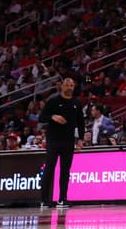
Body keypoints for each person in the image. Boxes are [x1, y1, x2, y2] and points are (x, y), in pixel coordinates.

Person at [40, 77, 85, 209]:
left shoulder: (76, 103)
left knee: (65, 170)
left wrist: (81, 139)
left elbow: (81, 122)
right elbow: (41, 117)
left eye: (72, 85)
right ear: (62, 86)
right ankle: (44, 200)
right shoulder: (53, 101)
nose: (70, 87)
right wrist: (52, 117)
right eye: (67, 85)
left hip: (68, 141)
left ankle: (62, 199)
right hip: (53, 140)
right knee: (49, 168)